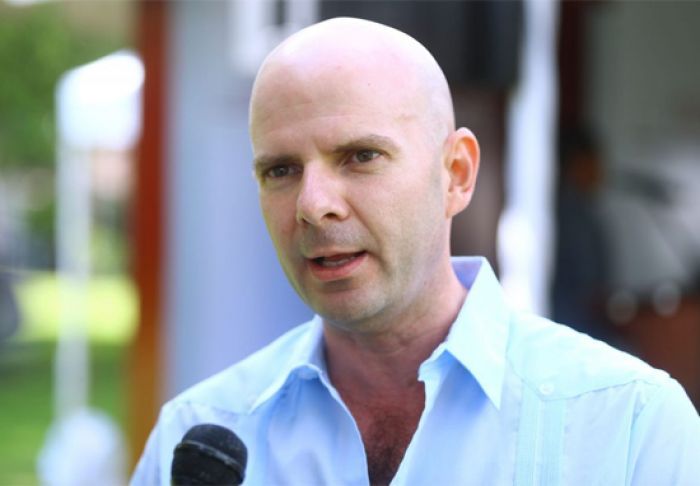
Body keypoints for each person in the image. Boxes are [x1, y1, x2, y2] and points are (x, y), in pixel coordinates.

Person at [132, 18, 700, 485]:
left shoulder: (628, 424)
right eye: (280, 170)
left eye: (360, 156)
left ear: (456, 174)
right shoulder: (200, 435)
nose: (313, 205)